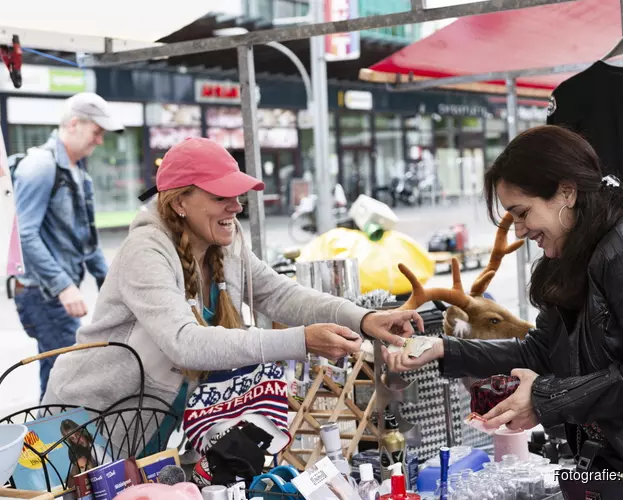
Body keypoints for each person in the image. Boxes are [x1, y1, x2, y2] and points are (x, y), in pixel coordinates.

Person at [382, 126, 623, 500]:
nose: (521, 230)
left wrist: (543, 400)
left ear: (567, 192)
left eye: (522, 213)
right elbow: (540, 351)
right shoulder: (574, 255)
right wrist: (446, 349)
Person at [43, 137, 422, 458]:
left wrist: (361, 317)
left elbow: (278, 293)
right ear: (179, 202)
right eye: (222, 196)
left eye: (238, 195)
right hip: (86, 420)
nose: (236, 206)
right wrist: (300, 340)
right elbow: (184, 344)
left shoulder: (225, 239)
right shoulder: (146, 249)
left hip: (156, 422)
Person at [13, 92, 124, 399]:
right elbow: (25, 234)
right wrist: (63, 286)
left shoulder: (78, 175)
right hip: (41, 293)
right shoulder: (41, 166)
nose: (99, 141)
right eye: (96, 132)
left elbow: (87, 243)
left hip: (50, 294)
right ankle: (46, 444)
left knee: (59, 378)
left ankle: (44, 443)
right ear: (74, 123)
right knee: (65, 381)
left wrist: (114, 283)